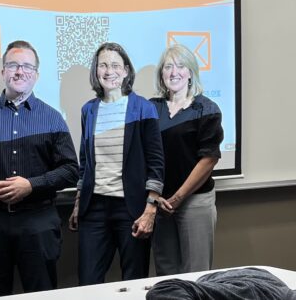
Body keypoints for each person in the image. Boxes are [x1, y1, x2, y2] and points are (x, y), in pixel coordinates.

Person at [0, 40, 78, 297]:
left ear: (36, 75)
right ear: (3, 72)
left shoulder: (52, 117)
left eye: (27, 66)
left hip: (38, 222)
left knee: (41, 294)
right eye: (13, 65)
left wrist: (31, 185)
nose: (20, 71)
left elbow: (71, 169)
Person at [69, 42, 165, 285]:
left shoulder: (143, 108)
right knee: (88, 282)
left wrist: (150, 209)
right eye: (103, 65)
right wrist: (78, 203)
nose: (108, 71)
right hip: (94, 209)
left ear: (125, 71)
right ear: (96, 71)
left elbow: (156, 162)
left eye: (115, 65)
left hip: (131, 209)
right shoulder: (88, 110)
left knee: (134, 281)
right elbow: (85, 163)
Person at [150, 44, 223, 275]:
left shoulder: (206, 109)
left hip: (194, 201)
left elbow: (209, 159)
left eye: (181, 66)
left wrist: (179, 197)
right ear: (161, 74)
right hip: (160, 204)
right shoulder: (152, 108)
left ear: (191, 72)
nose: (174, 72)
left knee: (196, 273)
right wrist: (156, 199)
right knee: (165, 272)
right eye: (168, 66)